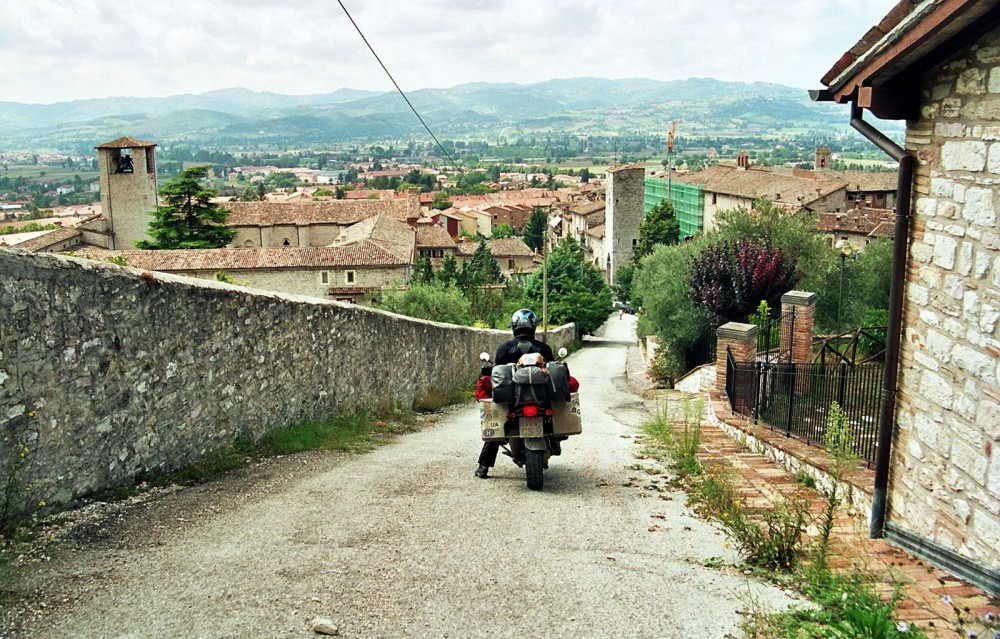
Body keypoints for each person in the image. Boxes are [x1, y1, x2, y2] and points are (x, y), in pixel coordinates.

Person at [475, 308, 553, 479]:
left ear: (514, 325)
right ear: (533, 326)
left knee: (497, 423)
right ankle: (552, 443)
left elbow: (496, 373)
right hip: (540, 400)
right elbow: (552, 372)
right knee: (552, 415)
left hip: (513, 401)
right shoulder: (543, 348)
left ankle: (483, 467)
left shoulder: (505, 348)